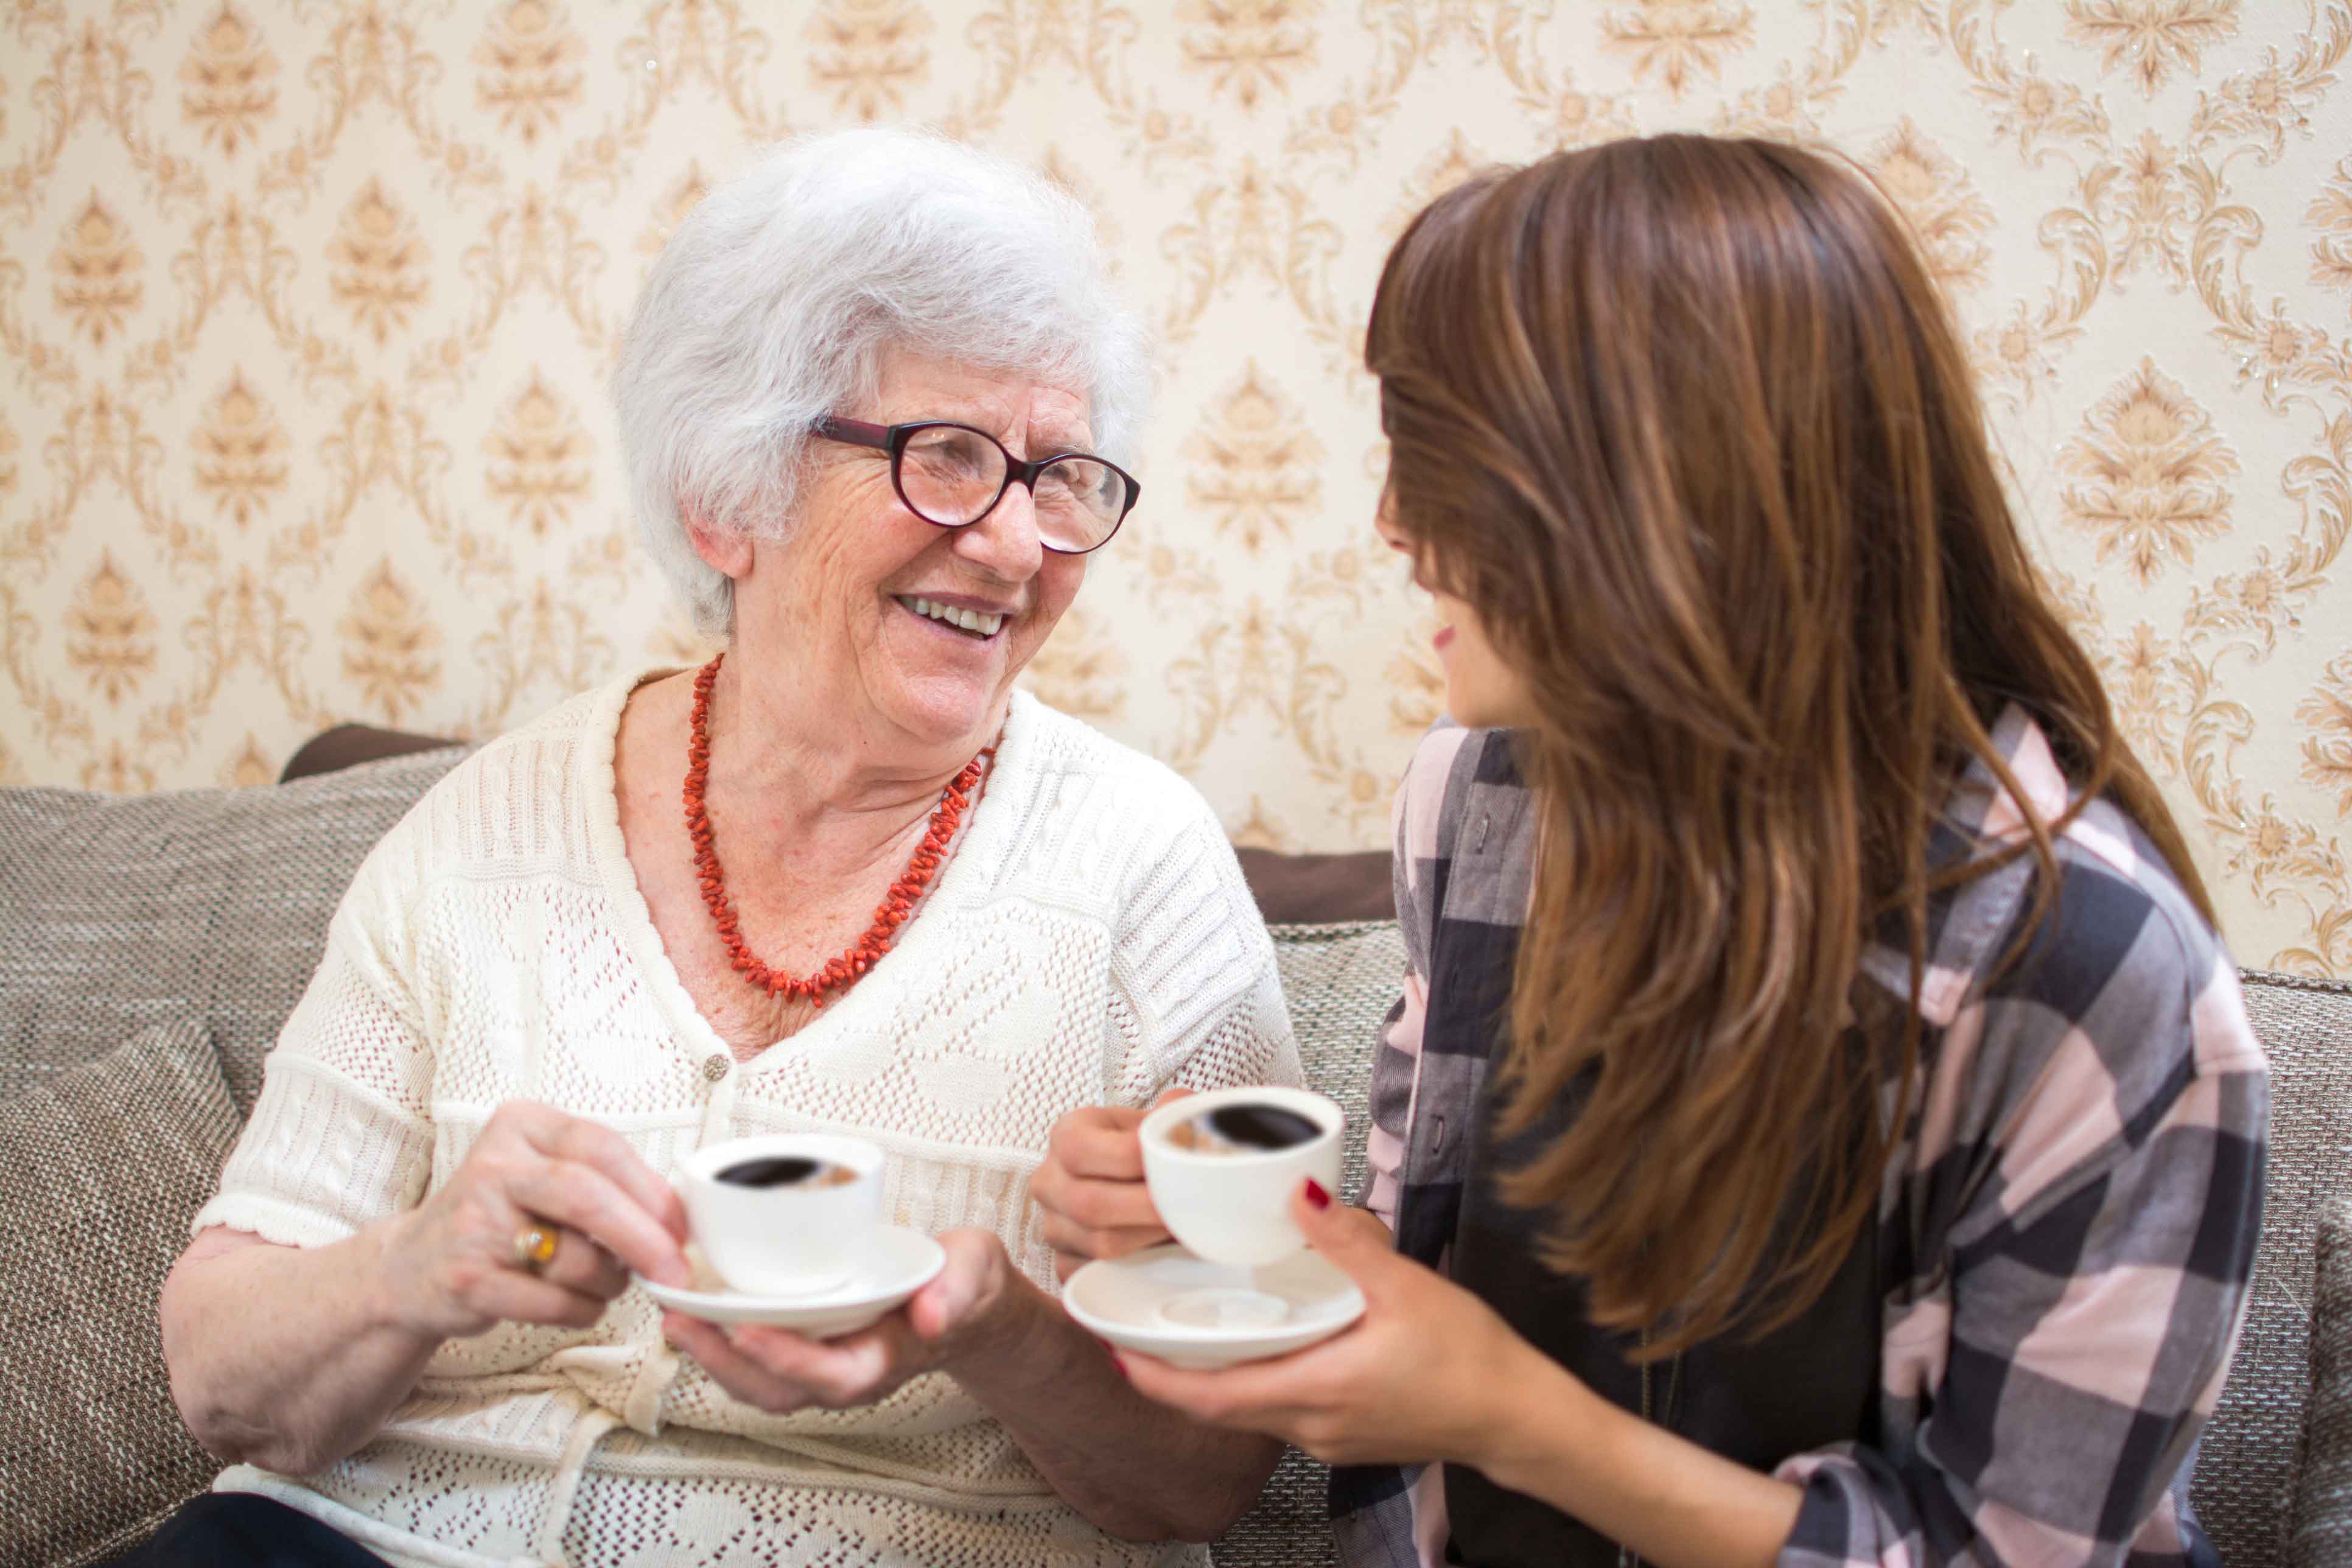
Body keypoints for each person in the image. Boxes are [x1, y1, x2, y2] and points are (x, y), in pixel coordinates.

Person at [1034, 134, 2267, 1567]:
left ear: (1660, 498)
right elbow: (1423, 1292)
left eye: (1441, 463)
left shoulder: (2090, 975)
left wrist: (1515, 1419)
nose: (1390, 526)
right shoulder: (1476, 797)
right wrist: (1227, 1239)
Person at [145, 127, 1296, 1568]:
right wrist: (416, 1266)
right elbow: (219, 1382)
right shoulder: (479, 833)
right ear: (728, 497)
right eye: (947, 458)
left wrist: (993, 1327)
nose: (1013, 547)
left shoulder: (1141, 873)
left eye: (1057, 475)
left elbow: (1207, 1482)